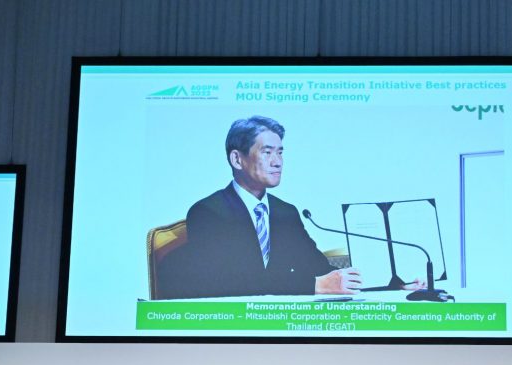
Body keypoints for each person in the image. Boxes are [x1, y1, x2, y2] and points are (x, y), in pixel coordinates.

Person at [156, 116, 364, 299]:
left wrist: (359, 280)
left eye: (280, 152)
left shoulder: (286, 213)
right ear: (237, 159)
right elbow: (230, 282)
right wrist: (313, 285)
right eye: (267, 152)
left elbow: (318, 268)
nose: (278, 162)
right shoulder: (208, 213)